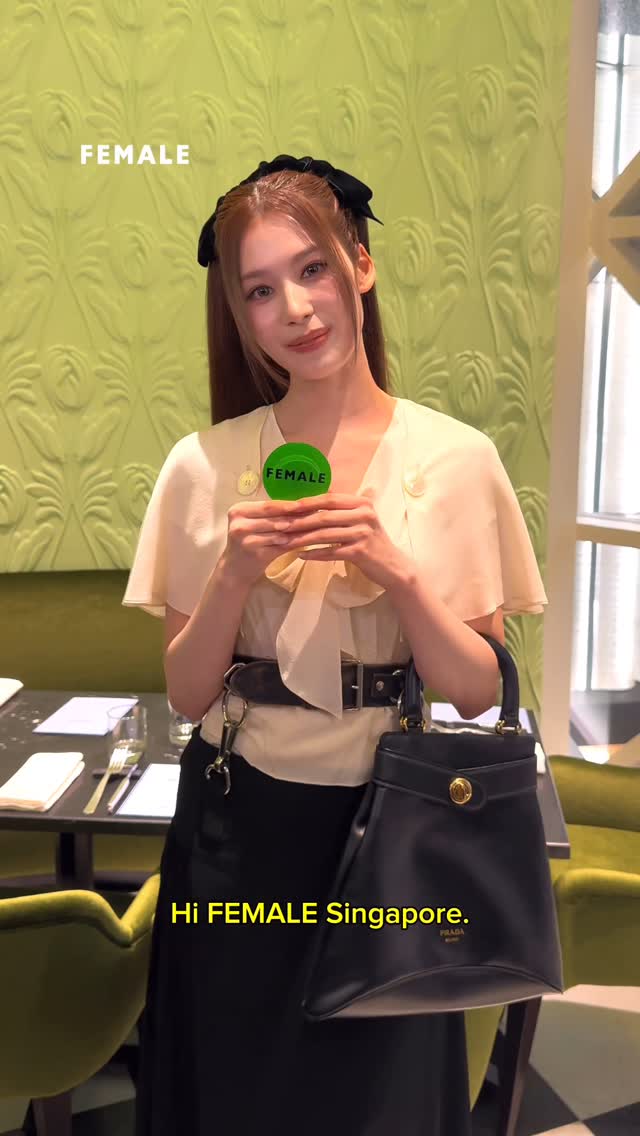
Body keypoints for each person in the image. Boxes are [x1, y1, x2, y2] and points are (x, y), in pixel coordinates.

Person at [122, 155, 549, 1135]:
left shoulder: (456, 460)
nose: (295, 308)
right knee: (233, 1089)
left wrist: (397, 570)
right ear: (239, 314)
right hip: (238, 827)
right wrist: (233, 574)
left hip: (391, 824)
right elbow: (187, 692)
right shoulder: (203, 464)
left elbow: (475, 690)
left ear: (360, 264)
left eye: (312, 269)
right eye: (259, 289)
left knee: (376, 1101)